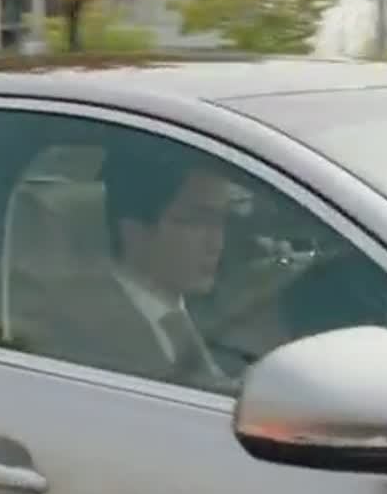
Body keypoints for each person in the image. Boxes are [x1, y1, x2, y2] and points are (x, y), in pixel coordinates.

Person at [24, 140, 235, 390]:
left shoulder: (213, 312)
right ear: (134, 231)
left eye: (220, 221)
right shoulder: (85, 327)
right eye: (195, 222)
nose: (216, 243)